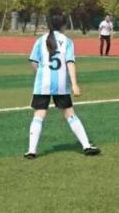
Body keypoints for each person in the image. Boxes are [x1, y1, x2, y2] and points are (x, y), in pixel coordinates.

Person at [26, 13, 101, 158]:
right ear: (63, 25)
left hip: (43, 83)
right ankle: (86, 145)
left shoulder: (40, 40)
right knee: (70, 114)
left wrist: (39, 75)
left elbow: (34, 63)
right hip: (61, 84)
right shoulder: (67, 41)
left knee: (39, 114)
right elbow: (70, 63)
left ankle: (31, 150)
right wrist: (74, 84)